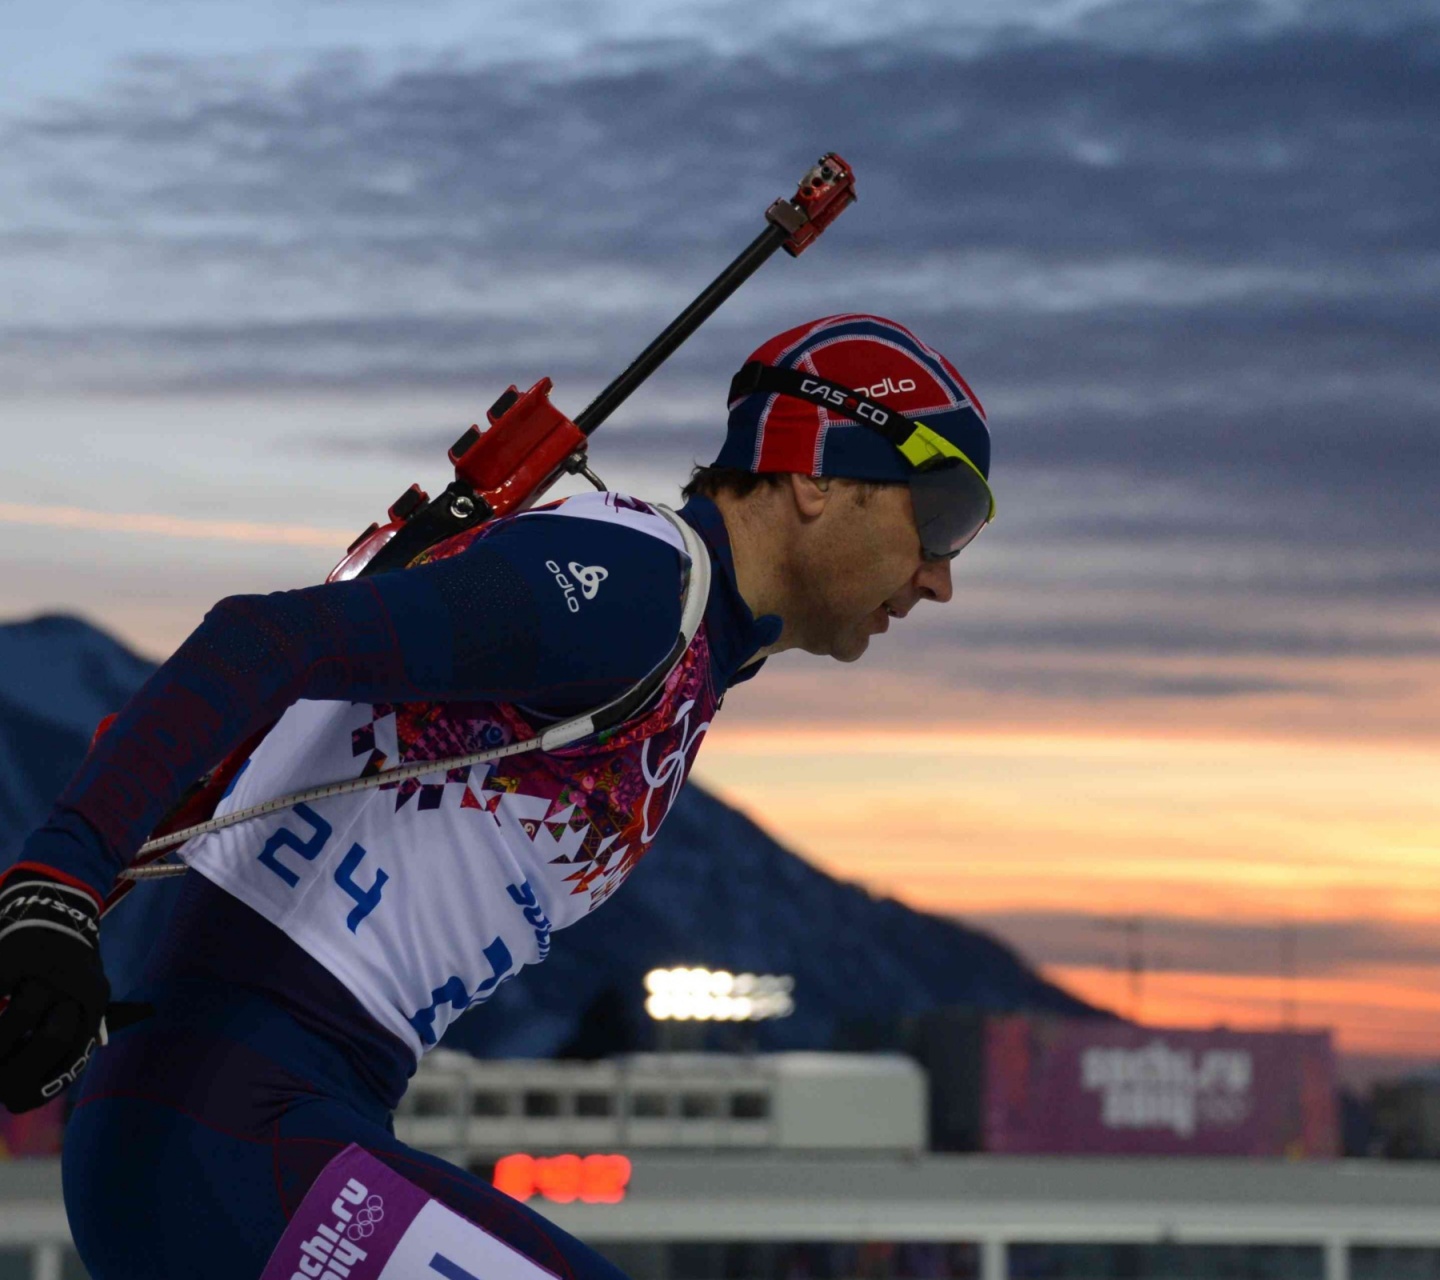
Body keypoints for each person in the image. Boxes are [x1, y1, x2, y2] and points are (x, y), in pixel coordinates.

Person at [0, 314, 993, 1279]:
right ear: (816, 473)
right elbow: (266, 638)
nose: (943, 577)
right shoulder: (635, 586)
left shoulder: (686, 652)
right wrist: (54, 885)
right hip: (225, 1132)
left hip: (250, 1131)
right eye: (941, 510)